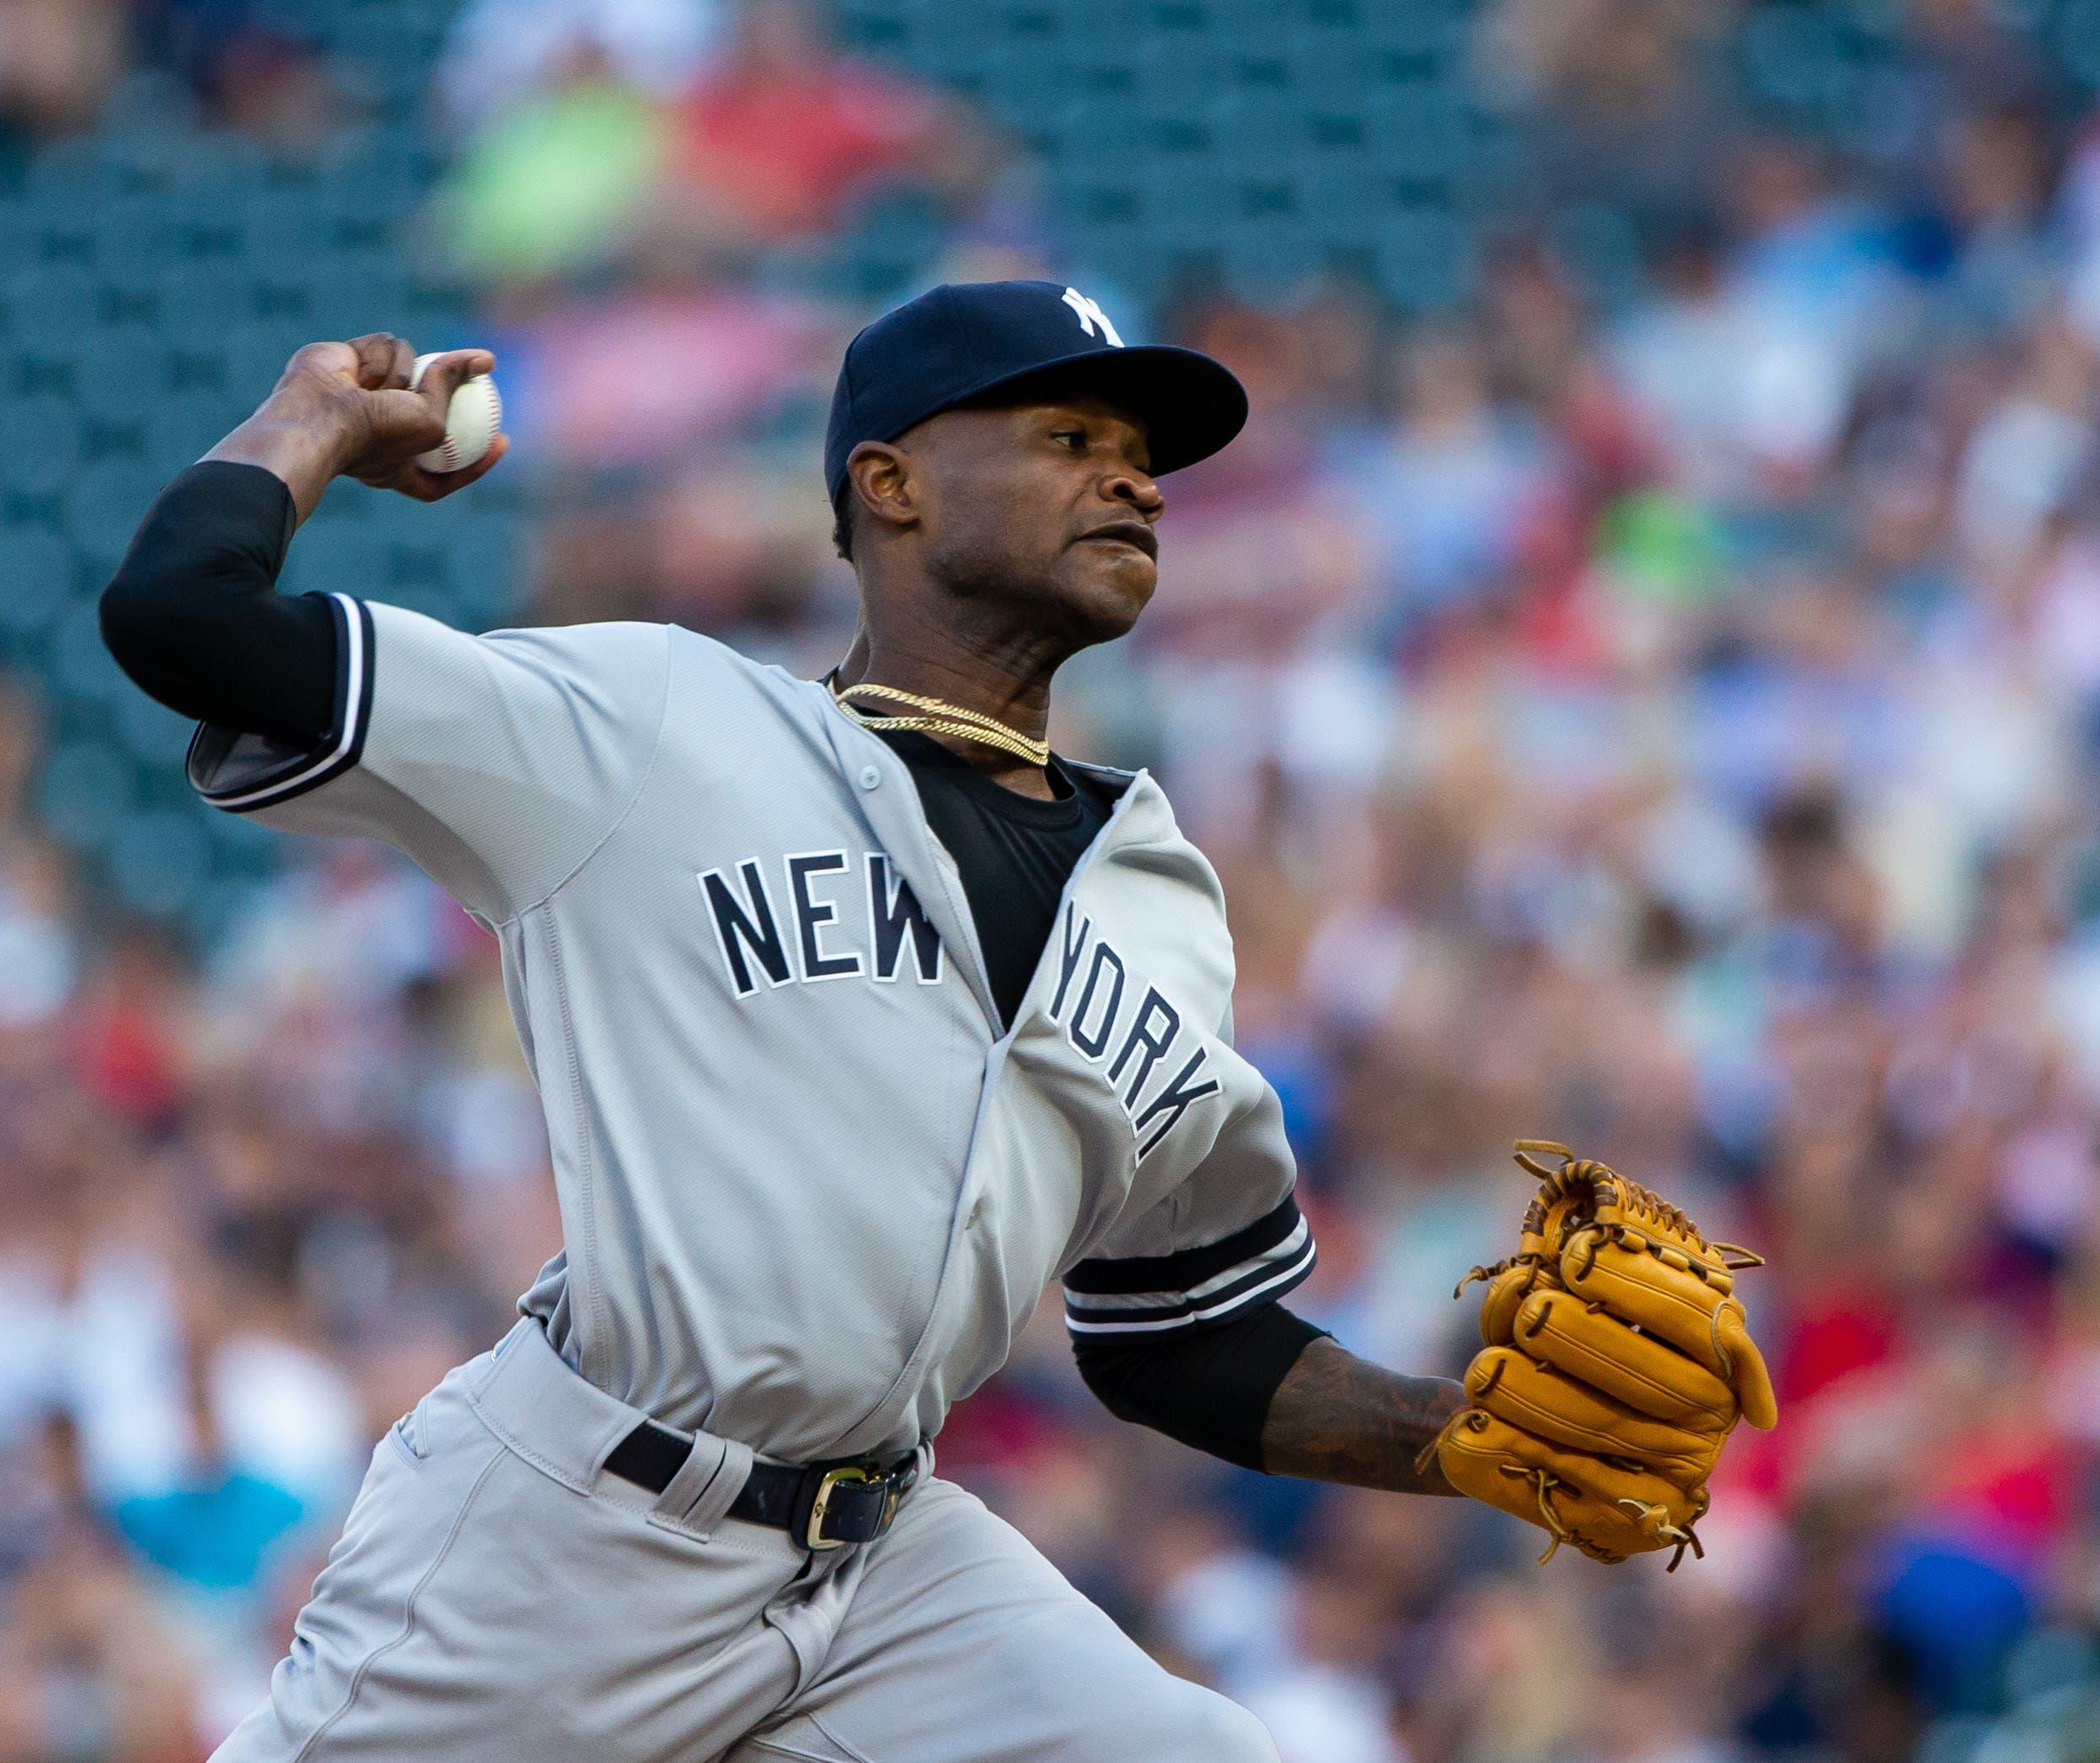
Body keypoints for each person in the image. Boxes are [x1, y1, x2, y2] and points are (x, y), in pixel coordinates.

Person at [96, 280, 1467, 1762]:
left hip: (885, 1572)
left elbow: (1179, 1337)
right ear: (891, 485)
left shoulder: (1162, 900)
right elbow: (185, 617)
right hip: (578, 1540)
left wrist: (1460, 1440)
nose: (1132, 475)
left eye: (1140, 452)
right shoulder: (656, 726)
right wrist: (308, 422)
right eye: (1070, 433)